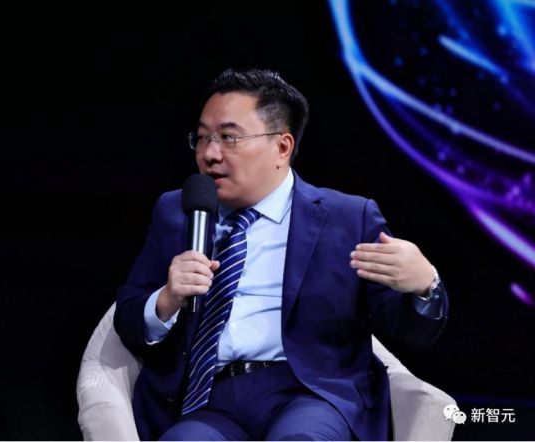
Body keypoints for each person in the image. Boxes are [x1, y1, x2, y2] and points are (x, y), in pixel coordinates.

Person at [114, 68, 448, 441]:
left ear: (282, 147)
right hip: (206, 398)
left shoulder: (347, 219)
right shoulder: (177, 211)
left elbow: (409, 334)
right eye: (203, 137)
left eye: (228, 137)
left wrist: (425, 287)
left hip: (309, 394)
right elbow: (127, 316)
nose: (209, 154)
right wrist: (165, 300)